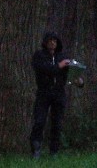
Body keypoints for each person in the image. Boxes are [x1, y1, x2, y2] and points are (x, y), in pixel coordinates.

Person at [29, 31, 71, 159]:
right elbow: (45, 69)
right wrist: (59, 66)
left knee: (57, 123)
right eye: (50, 40)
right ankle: (36, 148)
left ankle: (54, 151)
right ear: (46, 42)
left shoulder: (62, 56)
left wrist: (78, 80)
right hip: (44, 92)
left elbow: (67, 75)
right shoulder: (39, 55)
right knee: (40, 121)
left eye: (55, 41)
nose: (53, 43)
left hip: (58, 93)